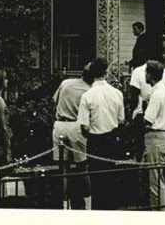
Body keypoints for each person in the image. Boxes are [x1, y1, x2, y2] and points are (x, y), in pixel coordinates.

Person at [77, 58, 125, 210]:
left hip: (95, 140)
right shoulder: (117, 93)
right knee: (111, 177)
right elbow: (121, 119)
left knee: (97, 180)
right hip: (112, 138)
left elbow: (84, 124)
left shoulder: (87, 96)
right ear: (105, 72)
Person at [52, 66, 92, 209]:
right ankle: (88, 205)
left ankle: (64, 204)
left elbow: (54, 102)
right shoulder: (89, 91)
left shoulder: (66, 83)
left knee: (63, 168)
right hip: (77, 126)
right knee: (82, 167)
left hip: (60, 124)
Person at [137, 60, 165, 207]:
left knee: (155, 179)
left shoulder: (157, 94)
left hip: (155, 136)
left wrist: (144, 109)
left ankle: (159, 210)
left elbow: (148, 119)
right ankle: (150, 205)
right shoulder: (164, 90)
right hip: (159, 136)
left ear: (150, 74)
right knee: (145, 173)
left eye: (146, 72)